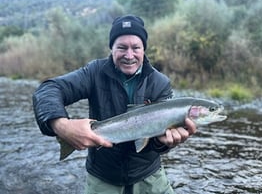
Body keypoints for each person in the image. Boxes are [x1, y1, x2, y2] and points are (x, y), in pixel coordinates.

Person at [32, 14, 197, 194]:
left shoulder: (160, 82)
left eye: (136, 47)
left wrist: (163, 143)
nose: (129, 55)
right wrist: (62, 125)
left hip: (149, 175)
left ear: (144, 49)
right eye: (121, 47)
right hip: (102, 175)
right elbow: (47, 89)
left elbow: (156, 143)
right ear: (111, 48)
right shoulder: (94, 72)